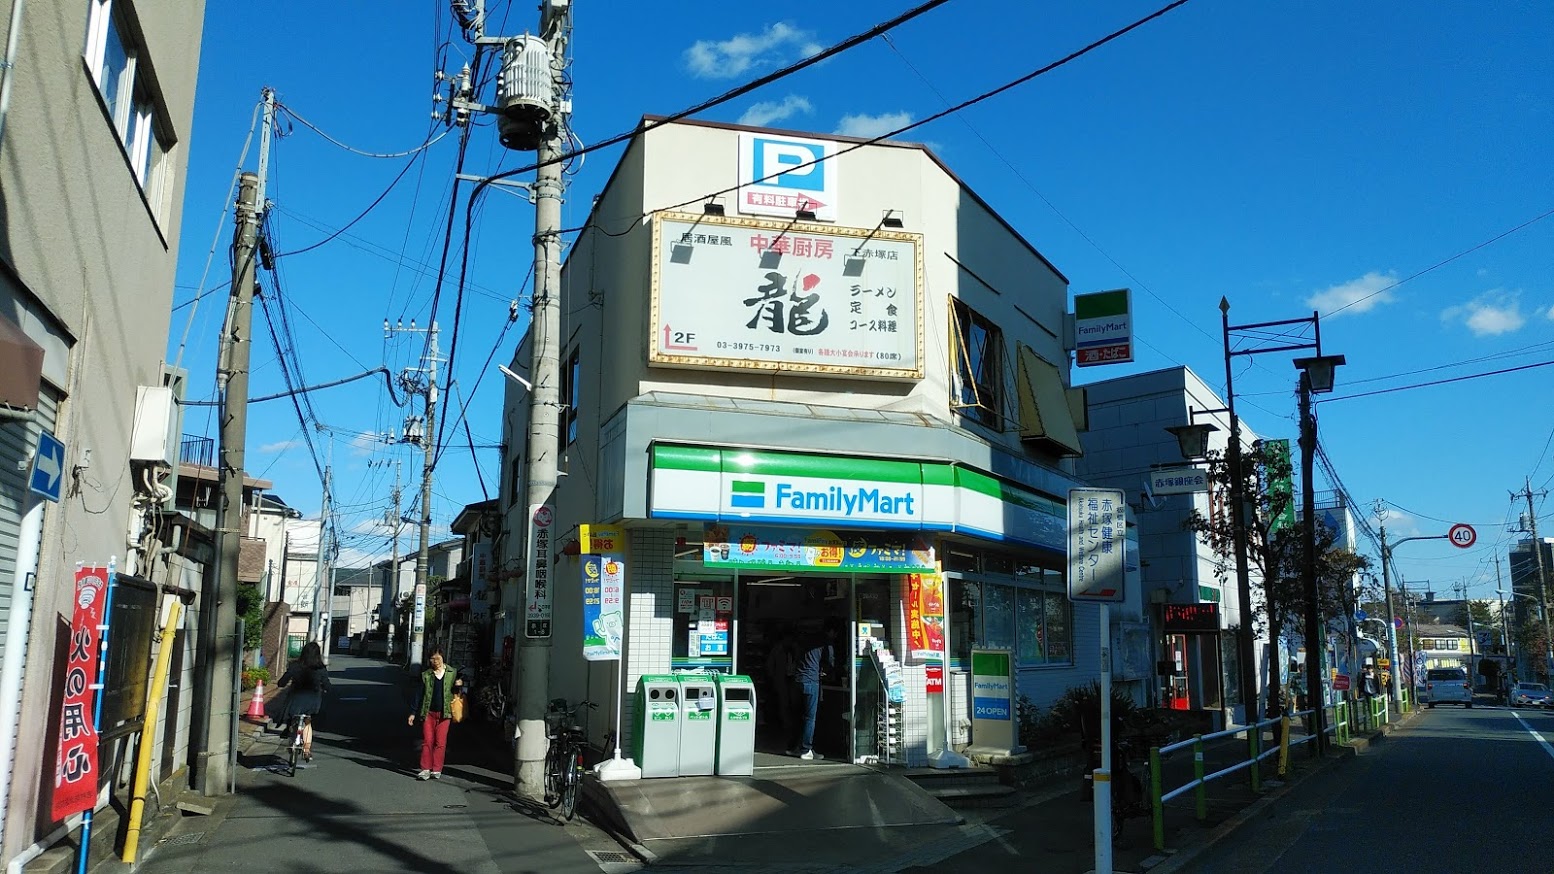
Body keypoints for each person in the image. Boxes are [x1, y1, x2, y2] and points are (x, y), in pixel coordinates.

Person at [408, 647, 463, 780]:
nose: (435, 661)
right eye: (432, 658)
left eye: (437, 658)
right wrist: (413, 712)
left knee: (440, 742)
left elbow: (457, 692)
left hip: (445, 713)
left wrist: (459, 685)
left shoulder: (452, 672)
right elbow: (418, 694)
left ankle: (437, 768)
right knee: (427, 741)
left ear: (443, 658)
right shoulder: (426, 675)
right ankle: (425, 769)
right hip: (428, 712)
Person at [276, 641, 331, 762]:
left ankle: (290, 732)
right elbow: (327, 685)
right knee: (307, 722)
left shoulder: (295, 665)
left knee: (291, 715)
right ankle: (307, 751)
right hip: (312, 701)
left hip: (296, 699)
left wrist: (282, 684)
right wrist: (326, 689)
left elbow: (282, 682)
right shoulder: (320, 668)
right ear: (318, 654)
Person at [790, 624, 838, 760]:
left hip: (798, 680)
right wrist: (826, 671)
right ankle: (806, 749)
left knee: (798, 715)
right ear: (832, 631)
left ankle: (793, 747)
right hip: (811, 680)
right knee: (810, 718)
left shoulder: (803, 640)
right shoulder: (825, 641)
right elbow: (830, 661)